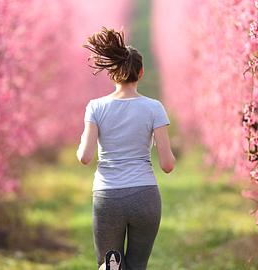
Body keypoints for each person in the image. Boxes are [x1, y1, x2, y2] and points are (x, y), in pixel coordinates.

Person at [76, 26, 176, 270]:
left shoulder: (96, 107)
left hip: (108, 196)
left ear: (112, 74)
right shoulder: (154, 108)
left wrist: (85, 139)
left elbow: (85, 157)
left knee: (109, 265)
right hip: (145, 196)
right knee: (137, 265)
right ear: (140, 73)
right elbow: (167, 165)